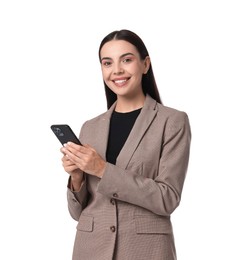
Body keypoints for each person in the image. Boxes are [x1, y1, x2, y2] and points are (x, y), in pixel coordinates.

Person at [60, 29, 191, 260]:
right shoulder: (90, 127)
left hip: (145, 250)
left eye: (127, 60)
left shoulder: (172, 121)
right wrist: (77, 177)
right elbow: (77, 213)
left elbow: (167, 198)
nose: (117, 70)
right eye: (107, 63)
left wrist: (102, 169)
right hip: (90, 249)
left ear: (145, 64)